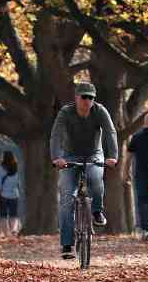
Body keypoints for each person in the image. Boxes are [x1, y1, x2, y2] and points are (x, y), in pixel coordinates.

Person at [50, 82, 118, 260]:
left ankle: (96, 210)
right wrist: (57, 157)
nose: (88, 100)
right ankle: (67, 245)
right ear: (76, 97)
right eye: (84, 97)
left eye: (91, 97)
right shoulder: (65, 112)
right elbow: (56, 134)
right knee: (67, 198)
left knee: (96, 179)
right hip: (69, 155)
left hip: (94, 154)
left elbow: (110, 132)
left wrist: (113, 156)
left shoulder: (100, 111)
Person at [124, 112, 148, 241]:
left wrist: (125, 172)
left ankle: (145, 228)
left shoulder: (136, 137)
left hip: (139, 174)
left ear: (144, 122)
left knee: (141, 202)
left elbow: (128, 156)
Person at [0, 150, 21, 236]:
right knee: (14, 215)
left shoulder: (0, 169)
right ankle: (13, 230)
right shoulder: (16, 168)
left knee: (3, 215)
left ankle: (6, 234)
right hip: (15, 195)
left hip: (3, 195)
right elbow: (18, 183)